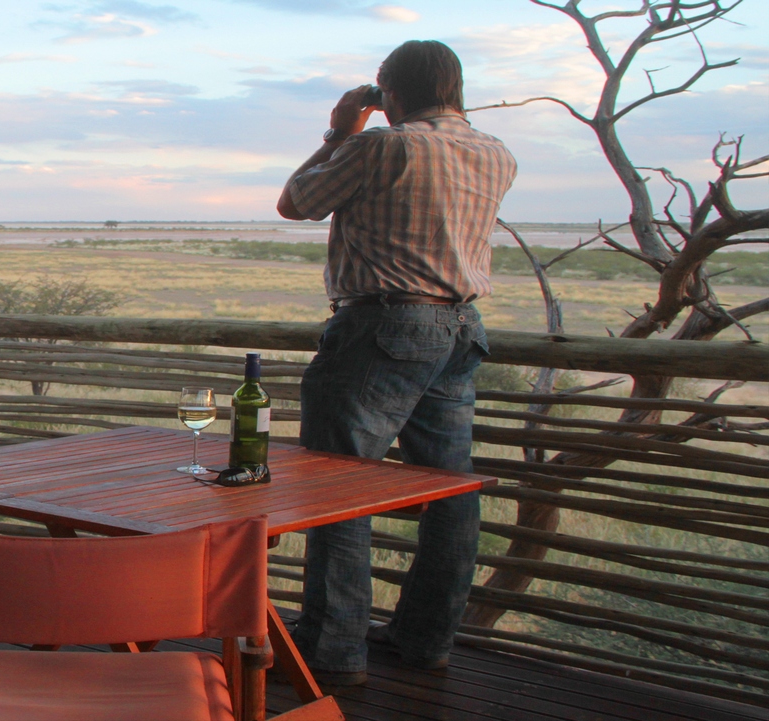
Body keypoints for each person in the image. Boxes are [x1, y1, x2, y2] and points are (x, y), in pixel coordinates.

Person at [275, 40, 517, 685]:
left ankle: (332, 650)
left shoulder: (383, 145)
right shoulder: (497, 153)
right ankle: (425, 638)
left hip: (383, 324)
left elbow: (296, 201)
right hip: (461, 327)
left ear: (388, 90)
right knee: (449, 488)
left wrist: (338, 131)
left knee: (337, 485)